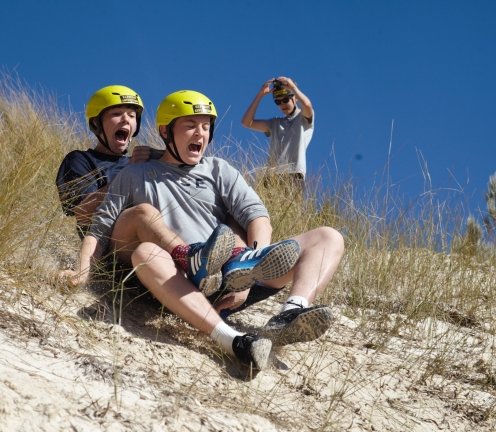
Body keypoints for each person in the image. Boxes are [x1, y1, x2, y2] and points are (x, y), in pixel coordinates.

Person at [61, 91, 344, 378]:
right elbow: (99, 227)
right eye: (190, 125)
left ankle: (289, 313)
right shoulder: (136, 173)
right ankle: (230, 339)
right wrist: (81, 271)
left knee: (328, 237)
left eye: (206, 126)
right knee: (145, 250)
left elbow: (257, 216)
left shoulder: (219, 169)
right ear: (165, 131)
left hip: (226, 277)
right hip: (173, 280)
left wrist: (250, 269)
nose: (200, 133)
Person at [56, 85, 163, 237]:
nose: (126, 119)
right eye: (116, 113)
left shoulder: (143, 162)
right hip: (107, 245)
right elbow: (83, 212)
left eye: (132, 116)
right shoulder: (80, 160)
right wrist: (129, 171)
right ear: (95, 122)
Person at [241, 76, 314, 190]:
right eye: (278, 102)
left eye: (286, 100)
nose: (282, 104)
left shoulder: (303, 118)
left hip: (293, 175)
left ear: (295, 98)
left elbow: (307, 105)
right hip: (270, 177)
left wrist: (293, 87)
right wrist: (259, 95)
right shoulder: (275, 123)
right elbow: (246, 122)